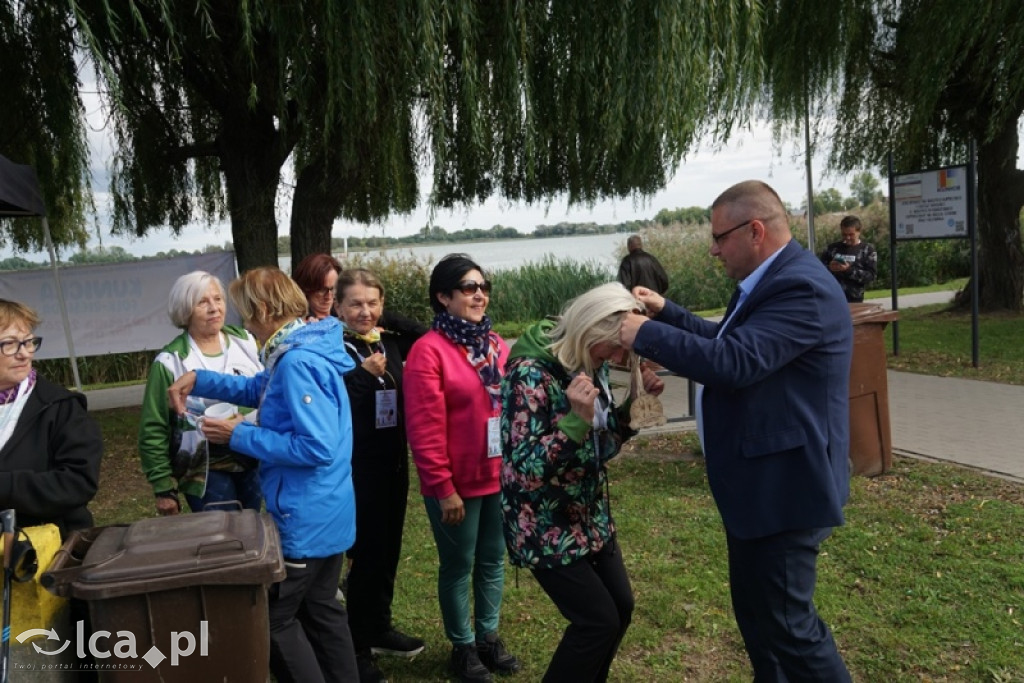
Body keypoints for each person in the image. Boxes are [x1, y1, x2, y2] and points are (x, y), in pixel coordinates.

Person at [619, 180, 854, 681]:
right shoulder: (771, 281)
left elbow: (735, 361)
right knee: (761, 622)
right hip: (760, 488)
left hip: (787, 488)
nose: (713, 249)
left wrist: (644, 333)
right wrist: (668, 314)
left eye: (720, 237)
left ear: (755, 230)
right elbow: (727, 338)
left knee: (790, 628)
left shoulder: (801, 286)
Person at [167, 266, 359, 682]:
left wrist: (241, 434)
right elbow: (260, 389)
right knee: (324, 610)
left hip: (302, 518)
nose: (244, 322)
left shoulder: (296, 362)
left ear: (266, 309)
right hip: (328, 511)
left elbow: (316, 446)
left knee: (274, 621)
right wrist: (201, 378)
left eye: (246, 313)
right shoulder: (299, 349)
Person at [500, 282, 664, 682]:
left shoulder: (592, 363)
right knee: (596, 623)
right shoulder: (528, 374)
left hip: (590, 515)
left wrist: (627, 414)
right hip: (543, 522)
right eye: (615, 347)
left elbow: (599, 448)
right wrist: (575, 420)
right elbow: (526, 467)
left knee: (619, 610)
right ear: (592, 330)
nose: (620, 358)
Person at [403, 253, 520, 683]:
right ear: (443, 296)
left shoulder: (498, 345)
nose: (479, 294)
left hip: (498, 477)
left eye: (483, 286)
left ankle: (488, 637)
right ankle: (463, 646)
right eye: (469, 287)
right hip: (455, 485)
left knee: (493, 559)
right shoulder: (427, 352)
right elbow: (424, 428)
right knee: (458, 564)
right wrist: (442, 486)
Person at [335, 267, 427, 682]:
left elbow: (427, 335)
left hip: (393, 460)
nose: (364, 311)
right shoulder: (332, 347)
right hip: (357, 465)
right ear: (337, 306)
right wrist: (360, 375)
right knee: (366, 555)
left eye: (373, 303)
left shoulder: (389, 340)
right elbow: (331, 402)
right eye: (355, 303)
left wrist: (388, 320)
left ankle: (379, 626)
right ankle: (355, 646)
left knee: (389, 548)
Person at [138, 271, 263, 515]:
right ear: (185, 310)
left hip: (253, 456)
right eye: (202, 302)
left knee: (252, 530)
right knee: (220, 540)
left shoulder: (246, 341)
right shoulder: (170, 362)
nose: (214, 308)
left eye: (218, 299)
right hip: (204, 469)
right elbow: (154, 427)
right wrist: (163, 487)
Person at [0, 299, 102, 539]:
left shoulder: (61, 408)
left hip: (48, 555)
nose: (24, 353)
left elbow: (78, 483)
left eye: (28, 342)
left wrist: (6, 486)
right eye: (10, 344)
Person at [819, 215, 877, 303]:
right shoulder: (832, 249)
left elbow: (871, 276)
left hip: (854, 299)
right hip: (832, 297)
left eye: (851, 234)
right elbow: (818, 270)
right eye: (844, 234)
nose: (847, 238)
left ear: (859, 232)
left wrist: (848, 270)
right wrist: (830, 268)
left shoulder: (868, 250)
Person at [293, 252, 343, 321]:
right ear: (306, 288)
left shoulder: (343, 315)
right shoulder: (298, 323)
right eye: (322, 290)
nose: (328, 296)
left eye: (333, 289)